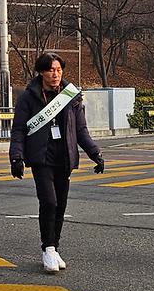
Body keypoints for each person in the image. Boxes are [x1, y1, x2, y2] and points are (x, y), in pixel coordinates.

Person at [9, 52, 104, 274]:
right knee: (49, 202)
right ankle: (48, 248)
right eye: (51, 70)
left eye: (59, 70)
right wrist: (16, 157)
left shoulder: (72, 96)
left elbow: (81, 130)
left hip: (64, 157)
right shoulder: (28, 96)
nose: (56, 74)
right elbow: (19, 129)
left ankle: (55, 247)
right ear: (41, 71)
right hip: (41, 158)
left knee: (60, 205)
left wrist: (95, 153)